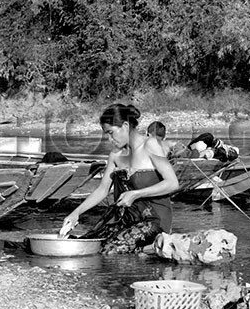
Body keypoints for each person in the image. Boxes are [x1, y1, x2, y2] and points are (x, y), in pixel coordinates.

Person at [60, 104, 179, 254]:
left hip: (155, 220)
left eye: (111, 133)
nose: (109, 139)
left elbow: (172, 183)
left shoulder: (150, 145)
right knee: (88, 244)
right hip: (127, 219)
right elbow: (102, 190)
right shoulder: (115, 155)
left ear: (125, 126)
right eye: (106, 134)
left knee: (109, 250)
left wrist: (136, 194)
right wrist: (75, 213)